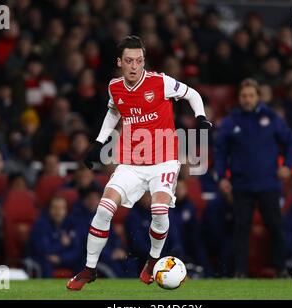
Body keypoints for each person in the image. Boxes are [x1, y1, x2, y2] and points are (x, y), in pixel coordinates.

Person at [66, 35, 211, 290]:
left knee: (158, 211)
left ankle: (152, 261)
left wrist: (200, 117)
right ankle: (89, 270)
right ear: (120, 62)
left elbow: (193, 94)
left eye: (140, 61)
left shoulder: (160, 82)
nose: (135, 66)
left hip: (164, 161)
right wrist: (99, 143)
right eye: (130, 61)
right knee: (103, 208)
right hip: (131, 162)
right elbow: (113, 111)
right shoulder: (115, 87)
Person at [214, 78, 292, 278]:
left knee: (276, 227)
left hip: (268, 183)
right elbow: (220, 152)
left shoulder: (272, 118)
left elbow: (291, 142)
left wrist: (287, 165)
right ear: (239, 98)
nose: (247, 99)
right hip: (241, 184)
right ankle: (240, 271)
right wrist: (221, 178)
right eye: (244, 96)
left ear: (258, 97)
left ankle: (280, 269)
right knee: (240, 229)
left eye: (251, 95)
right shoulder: (230, 121)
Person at [26, 196, 82, 278]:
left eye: (61, 208)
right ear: (49, 209)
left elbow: (77, 249)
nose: (57, 212)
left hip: (62, 259)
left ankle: (80, 288)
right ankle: (45, 289)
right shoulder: (41, 224)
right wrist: (61, 244)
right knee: (46, 263)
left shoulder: (70, 224)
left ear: (66, 210)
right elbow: (44, 250)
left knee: (82, 262)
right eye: (54, 208)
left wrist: (61, 258)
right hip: (42, 259)